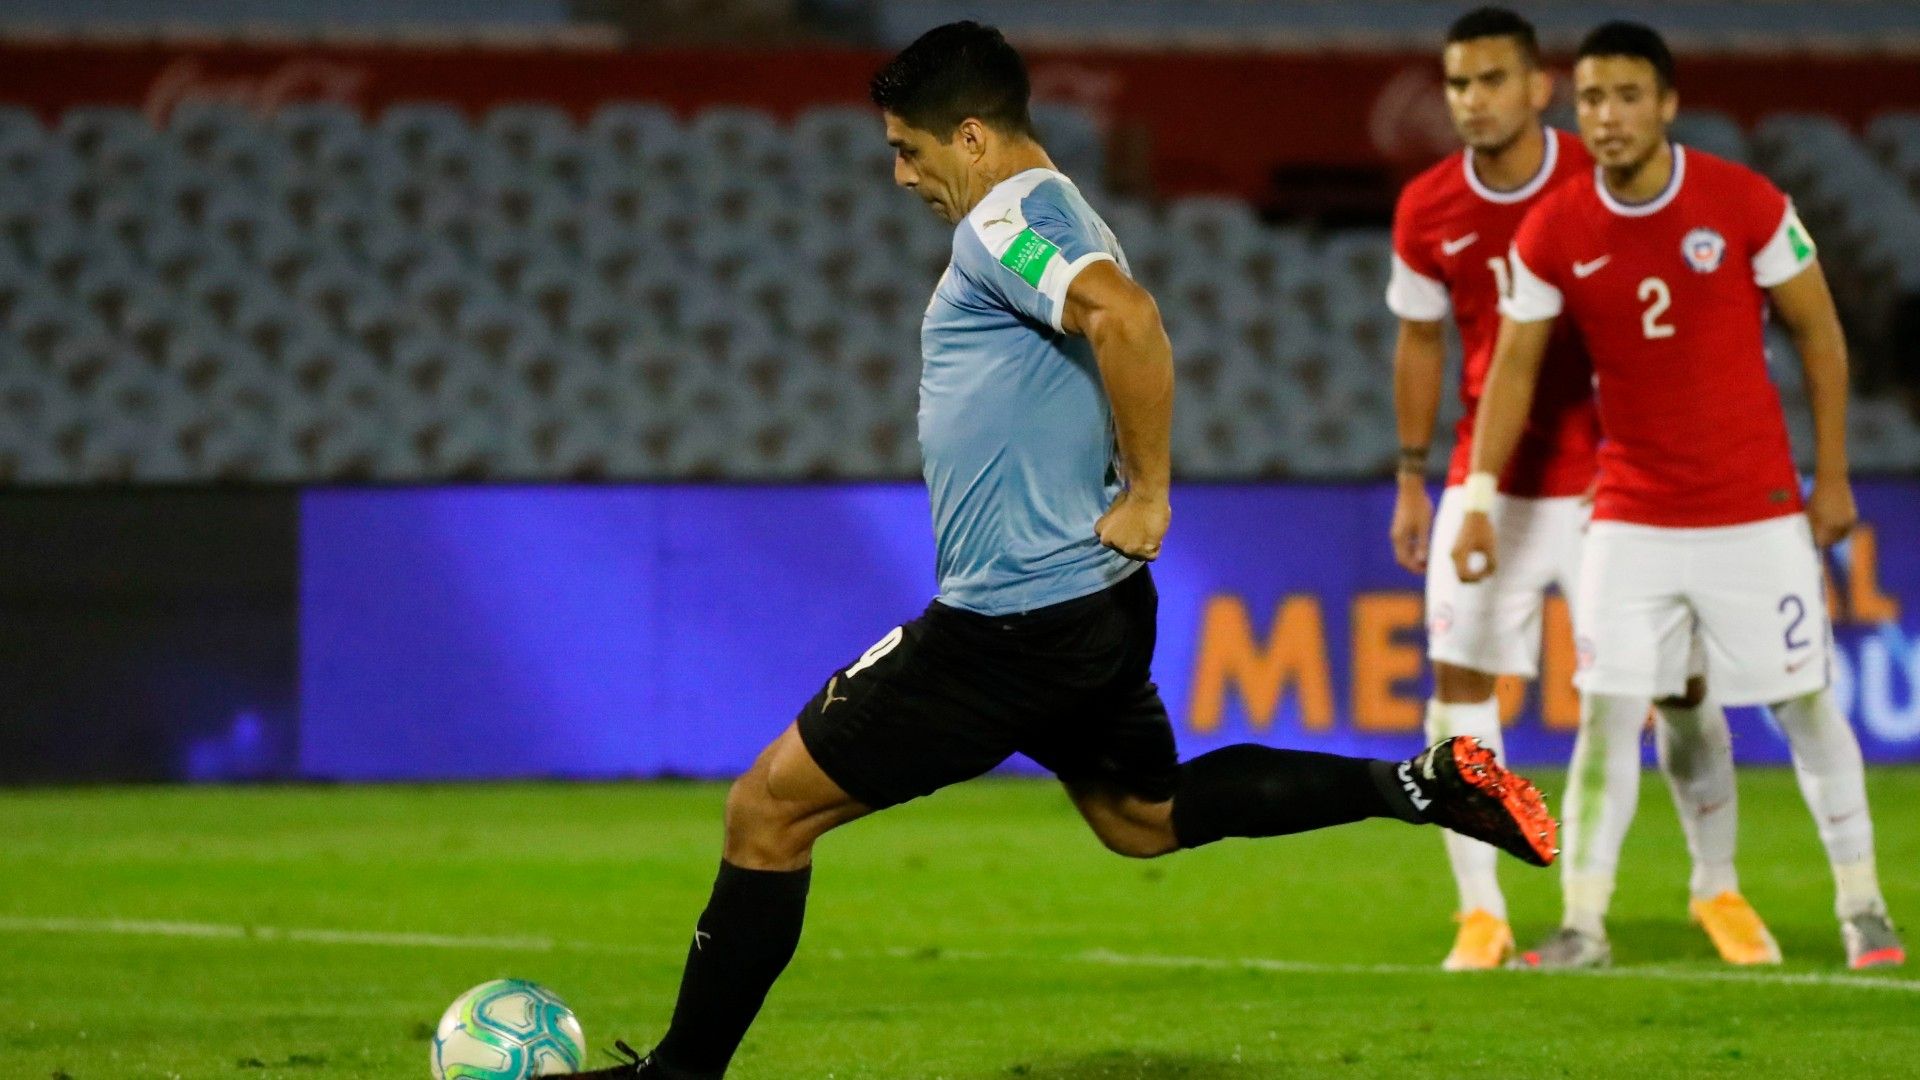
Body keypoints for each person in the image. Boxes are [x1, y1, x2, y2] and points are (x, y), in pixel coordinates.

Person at [576, 21, 1559, 1078]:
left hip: (1010, 622)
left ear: (971, 136)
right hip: (1088, 607)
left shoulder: (1008, 223)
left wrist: (1150, 493)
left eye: (909, 149)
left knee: (764, 811)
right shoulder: (1053, 211)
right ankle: (1413, 784)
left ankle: (678, 1077)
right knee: (1143, 815)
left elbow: (1126, 319)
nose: (900, 174)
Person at [1454, 20, 1904, 970]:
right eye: (1591, 102)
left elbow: (1821, 335)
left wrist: (1832, 474)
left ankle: (1863, 904)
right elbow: (1512, 371)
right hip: (1632, 514)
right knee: (1611, 709)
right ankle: (1582, 921)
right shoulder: (1558, 227)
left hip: (1755, 510)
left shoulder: (1744, 202)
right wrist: (1484, 494)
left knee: (1806, 705)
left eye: (1625, 98)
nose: (1607, 118)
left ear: (1665, 105)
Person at [1388, 6, 1760, 971]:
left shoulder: (1602, 180)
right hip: (1492, 487)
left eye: (1491, 81)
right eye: (1458, 84)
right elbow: (1421, 339)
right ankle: (1483, 912)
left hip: (1616, 481)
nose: (1471, 101)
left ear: (1539, 87)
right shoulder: (1428, 207)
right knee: (1459, 688)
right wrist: (1416, 477)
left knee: (1679, 686)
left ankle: (1716, 888)